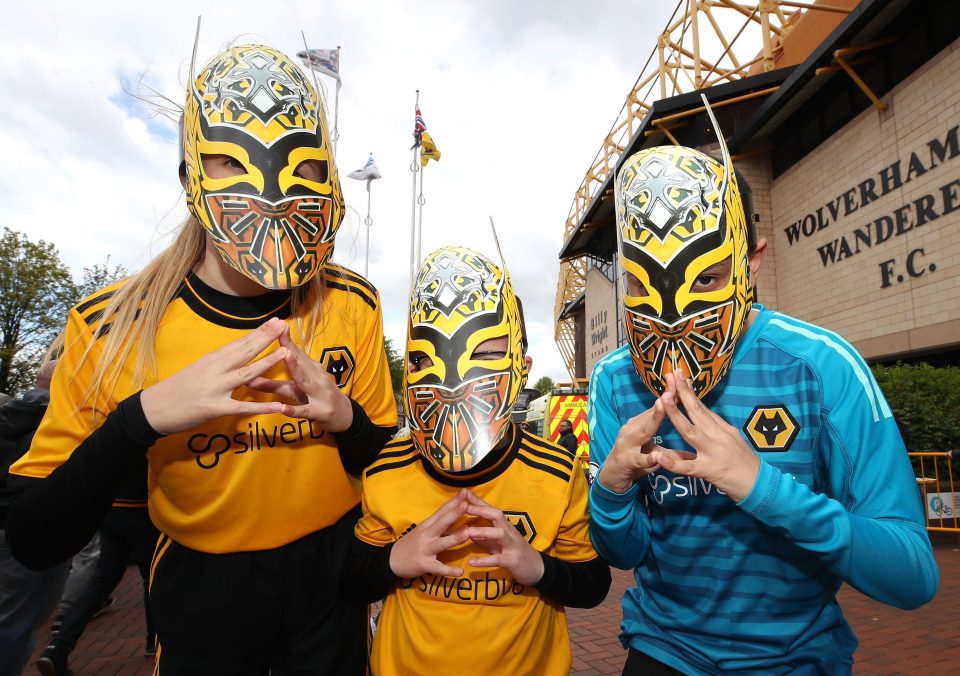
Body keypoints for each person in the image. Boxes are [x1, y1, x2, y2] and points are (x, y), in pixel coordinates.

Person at [5, 41, 396, 674]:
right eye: (228, 162)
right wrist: (140, 419)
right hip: (200, 585)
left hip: (330, 576)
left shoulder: (352, 304)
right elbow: (34, 537)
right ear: (191, 177)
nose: (272, 193)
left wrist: (345, 418)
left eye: (305, 165)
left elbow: (386, 464)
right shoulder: (112, 327)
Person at [588, 134, 939, 674]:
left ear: (752, 260)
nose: (674, 316)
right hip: (663, 651)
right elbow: (625, 553)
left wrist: (762, 487)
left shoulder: (824, 369)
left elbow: (912, 574)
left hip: (795, 660)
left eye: (707, 277)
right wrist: (611, 488)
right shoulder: (615, 380)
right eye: (639, 283)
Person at [345, 246, 610, 674]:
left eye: (486, 354)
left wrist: (536, 566)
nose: (453, 383)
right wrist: (394, 559)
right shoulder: (387, 468)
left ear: (522, 367)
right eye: (422, 358)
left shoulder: (557, 475)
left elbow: (594, 585)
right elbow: (351, 579)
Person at [37, 452, 158, 675]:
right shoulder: (142, 422)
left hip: (111, 510)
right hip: (139, 509)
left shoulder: (106, 423)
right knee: (152, 577)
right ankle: (154, 640)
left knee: (102, 580)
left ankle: (58, 646)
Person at [0, 360, 68, 676]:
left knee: (19, 617)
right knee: (19, 621)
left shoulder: (9, 412)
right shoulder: (59, 422)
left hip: (18, 526)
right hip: (33, 529)